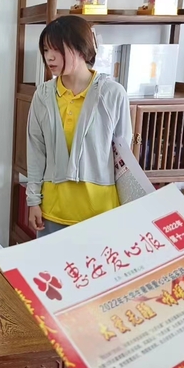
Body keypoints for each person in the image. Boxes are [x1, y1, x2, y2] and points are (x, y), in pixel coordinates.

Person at [27, 15, 132, 237]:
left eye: (57, 49)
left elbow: (124, 157)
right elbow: (36, 152)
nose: (49, 57)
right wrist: (33, 200)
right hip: (53, 212)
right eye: (45, 50)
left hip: (101, 213)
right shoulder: (42, 95)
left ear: (82, 49)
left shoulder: (113, 94)